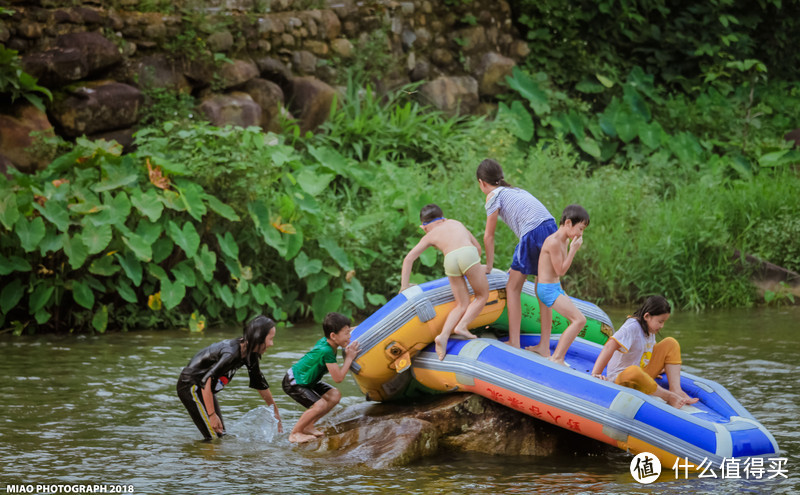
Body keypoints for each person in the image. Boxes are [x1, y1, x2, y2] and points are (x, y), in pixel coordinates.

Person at [477, 158, 557, 349]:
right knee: (543, 291)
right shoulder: (515, 190)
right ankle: (544, 346)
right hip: (551, 228)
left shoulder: (493, 195)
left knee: (512, 287)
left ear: (481, 182)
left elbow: (489, 236)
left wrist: (488, 266)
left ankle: (514, 341)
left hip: (532, 232)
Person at [400, 204, 490, 360]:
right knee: (481, 295)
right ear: (443, 218)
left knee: (461, 304)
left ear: (424, 226)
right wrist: (476, 268)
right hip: (467, 254)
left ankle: (443, 335)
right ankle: (462, 326)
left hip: (450, 261)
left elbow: (408, 259)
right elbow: (477, 247)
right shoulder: (455, 223)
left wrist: (404, 286)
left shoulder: (428, 235)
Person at [176, 315, 282, 440]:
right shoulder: (231, 353)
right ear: (258, 338)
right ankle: (205, 457)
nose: (271, 344)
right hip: (192, 386)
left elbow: (259, 383)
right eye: (270, 339)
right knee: (213, 437)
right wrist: (211, 414)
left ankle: (214, 457)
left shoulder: (250, 354)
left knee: (220, 435)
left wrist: (276, 413)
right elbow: (206, 380)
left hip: (205, 389)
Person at [590, 296, 699, 408]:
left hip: (641, 373)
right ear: (647, 316)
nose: (662, 326)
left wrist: (658, 366)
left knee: (671, 343)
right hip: (622, 377)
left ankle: (676, 390)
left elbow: (648, 351)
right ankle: (669, 397)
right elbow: (609, 346)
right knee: (634, 371)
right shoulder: (632, 326)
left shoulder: (649, 329)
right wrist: (596, 374)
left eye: (664, 322)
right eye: (660, 321)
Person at [282, 312, 360, 443]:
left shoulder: (329, 340)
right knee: (319, 405)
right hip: (294, 381)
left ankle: (308, 426)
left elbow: (349, 330)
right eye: (346, 334)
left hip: (308, 380)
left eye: (349, 332)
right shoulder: (327, 351)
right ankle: (295, 433)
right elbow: (338, 378)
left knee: (334, 395)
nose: (349, 336)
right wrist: (349, 358)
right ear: (333, 336)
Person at [537, 204, 590, 365]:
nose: (581, 234)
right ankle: (557, 358)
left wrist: (571, 246)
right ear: (568, 223)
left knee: (577, 319)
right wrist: (574, 250)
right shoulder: (553, 242)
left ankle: (548, 351)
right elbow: (560, 270)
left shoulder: (565, 240)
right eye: (580, 229)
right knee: (580, 320)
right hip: (547, 290)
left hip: (555, 287)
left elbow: (559, 272)